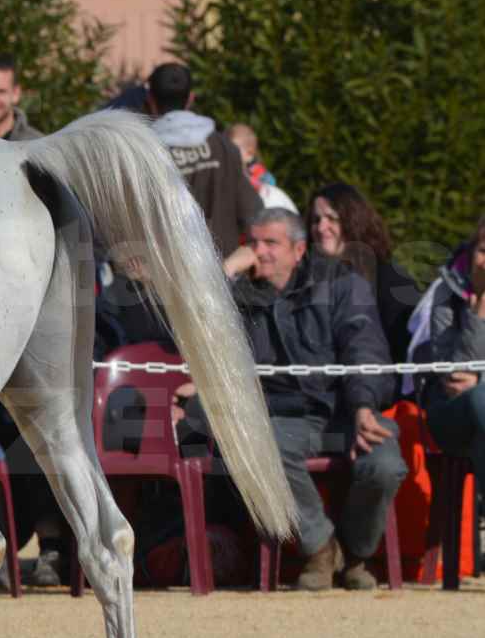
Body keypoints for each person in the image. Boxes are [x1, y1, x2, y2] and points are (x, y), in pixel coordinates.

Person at [181, 208, 407, 591]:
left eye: (271, 243)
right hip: (283, 419)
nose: (260, 252)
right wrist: (222, 274)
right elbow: (190, 324)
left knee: (385, 465)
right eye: (253, 243)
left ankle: (353, 552)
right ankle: (319, 548)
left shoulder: (341, 284)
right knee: (262, 449)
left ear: (298, 250)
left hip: (347, 409)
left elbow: (365, 348)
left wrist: (365, 407)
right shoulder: (238, 295)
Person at [146, 63, 262, 261]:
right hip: (224, 275)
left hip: (171, 274)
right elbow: (254, 213)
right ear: (191, 98)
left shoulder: (145, 152)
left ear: (150, 100)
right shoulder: (223, 145)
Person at [307, 182, 418, 366]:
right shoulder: (308, 280)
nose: (321, 227)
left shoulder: (390, 280)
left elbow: (403, 349)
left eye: (331, 218)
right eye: (316, 220)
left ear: (353, 220)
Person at [414, 214, 485, 495]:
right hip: (450, 411)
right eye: (484, 250)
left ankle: (478, 528)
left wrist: (479, 379)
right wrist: (479, 313)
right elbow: (454, 375)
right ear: (471, 252)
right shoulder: (448, 289)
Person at [224, 122, 297, 213]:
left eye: (232, 150)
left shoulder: (257, 173)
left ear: (249, 153)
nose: (226, 155)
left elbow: (268, 187)